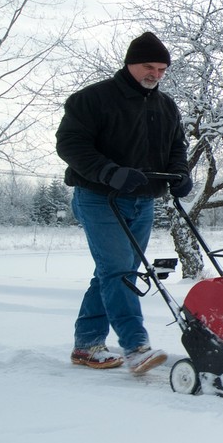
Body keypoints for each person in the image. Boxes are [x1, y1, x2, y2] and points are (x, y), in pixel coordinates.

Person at [55, 32, 193, 374]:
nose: (155, 75)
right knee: (118, 272)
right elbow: (70, 145)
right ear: (130, 63)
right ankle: (136, 347)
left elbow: (177, 146)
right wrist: (109, 172)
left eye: (162, 69)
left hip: (142, 201)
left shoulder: (166, 106)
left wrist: (179, 174)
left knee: (116, 273)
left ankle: (87, 345)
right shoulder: (92, 99)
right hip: (99, 197)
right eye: (149, 67)